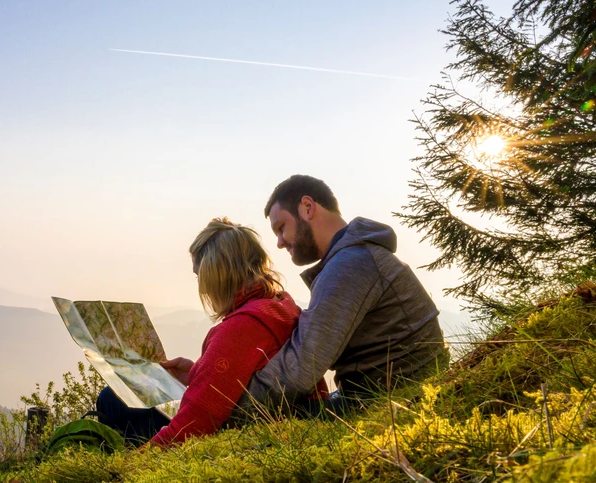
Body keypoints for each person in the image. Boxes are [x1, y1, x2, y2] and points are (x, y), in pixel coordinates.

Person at [95, 217, 329, 446]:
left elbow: (195, 422)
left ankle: (118, 455)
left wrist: (133, 466)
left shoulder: (242, 326)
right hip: (291, 414)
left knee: (111, 399)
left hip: (239, 431)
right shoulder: (277, 302)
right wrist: (196, 372)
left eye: (200, 275)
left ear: (216, 274)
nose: (202, 287)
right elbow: (244, 370)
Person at [238, 174, 448, 416]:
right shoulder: (355, 256)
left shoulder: (350, 265)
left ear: (307, 207)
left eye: (281, 228)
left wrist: (227, 405)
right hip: (395, 394)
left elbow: (301, 366)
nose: (279, 242)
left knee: (274, 419)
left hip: (396, 403)